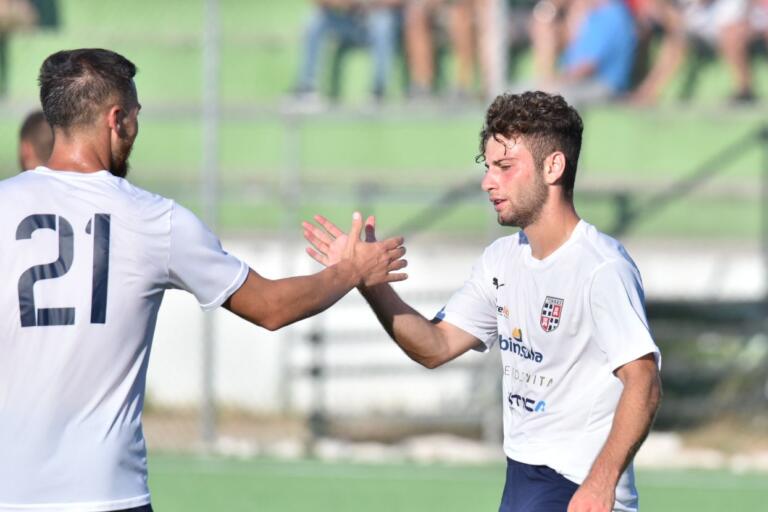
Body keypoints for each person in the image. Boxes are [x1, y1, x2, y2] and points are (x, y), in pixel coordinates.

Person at [0, 48, 407, 512]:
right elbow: (271, 307)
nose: (135, 129)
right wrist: (351, 270)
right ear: (117, 120)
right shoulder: (154, 218)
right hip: (107, 494)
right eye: (135, 116)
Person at [303, 91, 662, 512]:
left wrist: (601, 485)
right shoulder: (501, 259)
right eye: (487, 167)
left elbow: (644, 381)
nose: (488, 181)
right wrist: (366, 282)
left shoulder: (601, 267)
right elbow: (434, 347)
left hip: (576, 487)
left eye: (505, 168)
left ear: (554, 167)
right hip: (522, 478)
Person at [529, 0, 638, 104]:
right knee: (527, 91)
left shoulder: (610, 14)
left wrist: (557, 81)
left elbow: (588, 68)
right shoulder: (590, 14)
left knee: (557, 97)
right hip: (582, 81)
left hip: (607, 86)